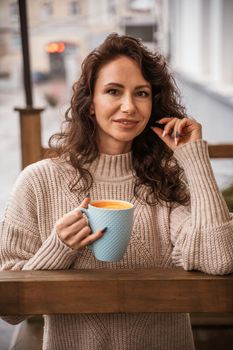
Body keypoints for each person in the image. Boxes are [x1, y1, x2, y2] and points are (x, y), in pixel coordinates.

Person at [1, 33, 233, 350]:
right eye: (113, 91)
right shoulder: (39, 181)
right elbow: (10, 311)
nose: (128, 106)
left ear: (152, 104)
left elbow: (220, 258)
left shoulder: (166, 181)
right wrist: (59, 248)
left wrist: (194, 159)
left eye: (141, 93)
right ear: (90, 103)